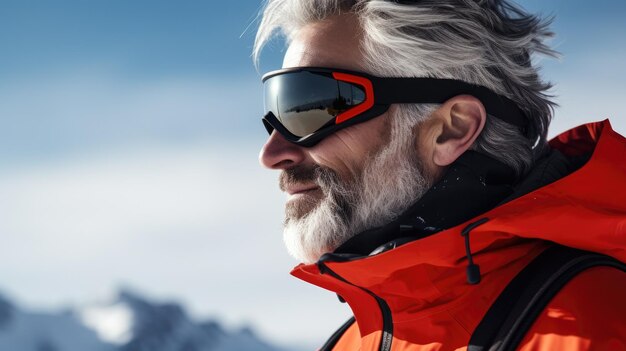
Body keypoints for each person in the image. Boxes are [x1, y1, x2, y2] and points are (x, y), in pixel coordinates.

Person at [254, 0, 626, 350]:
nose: (271, 154)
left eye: (315, 106)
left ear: (452, 130)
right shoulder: (352, 341)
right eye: (279, 107)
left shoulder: (600, 322)